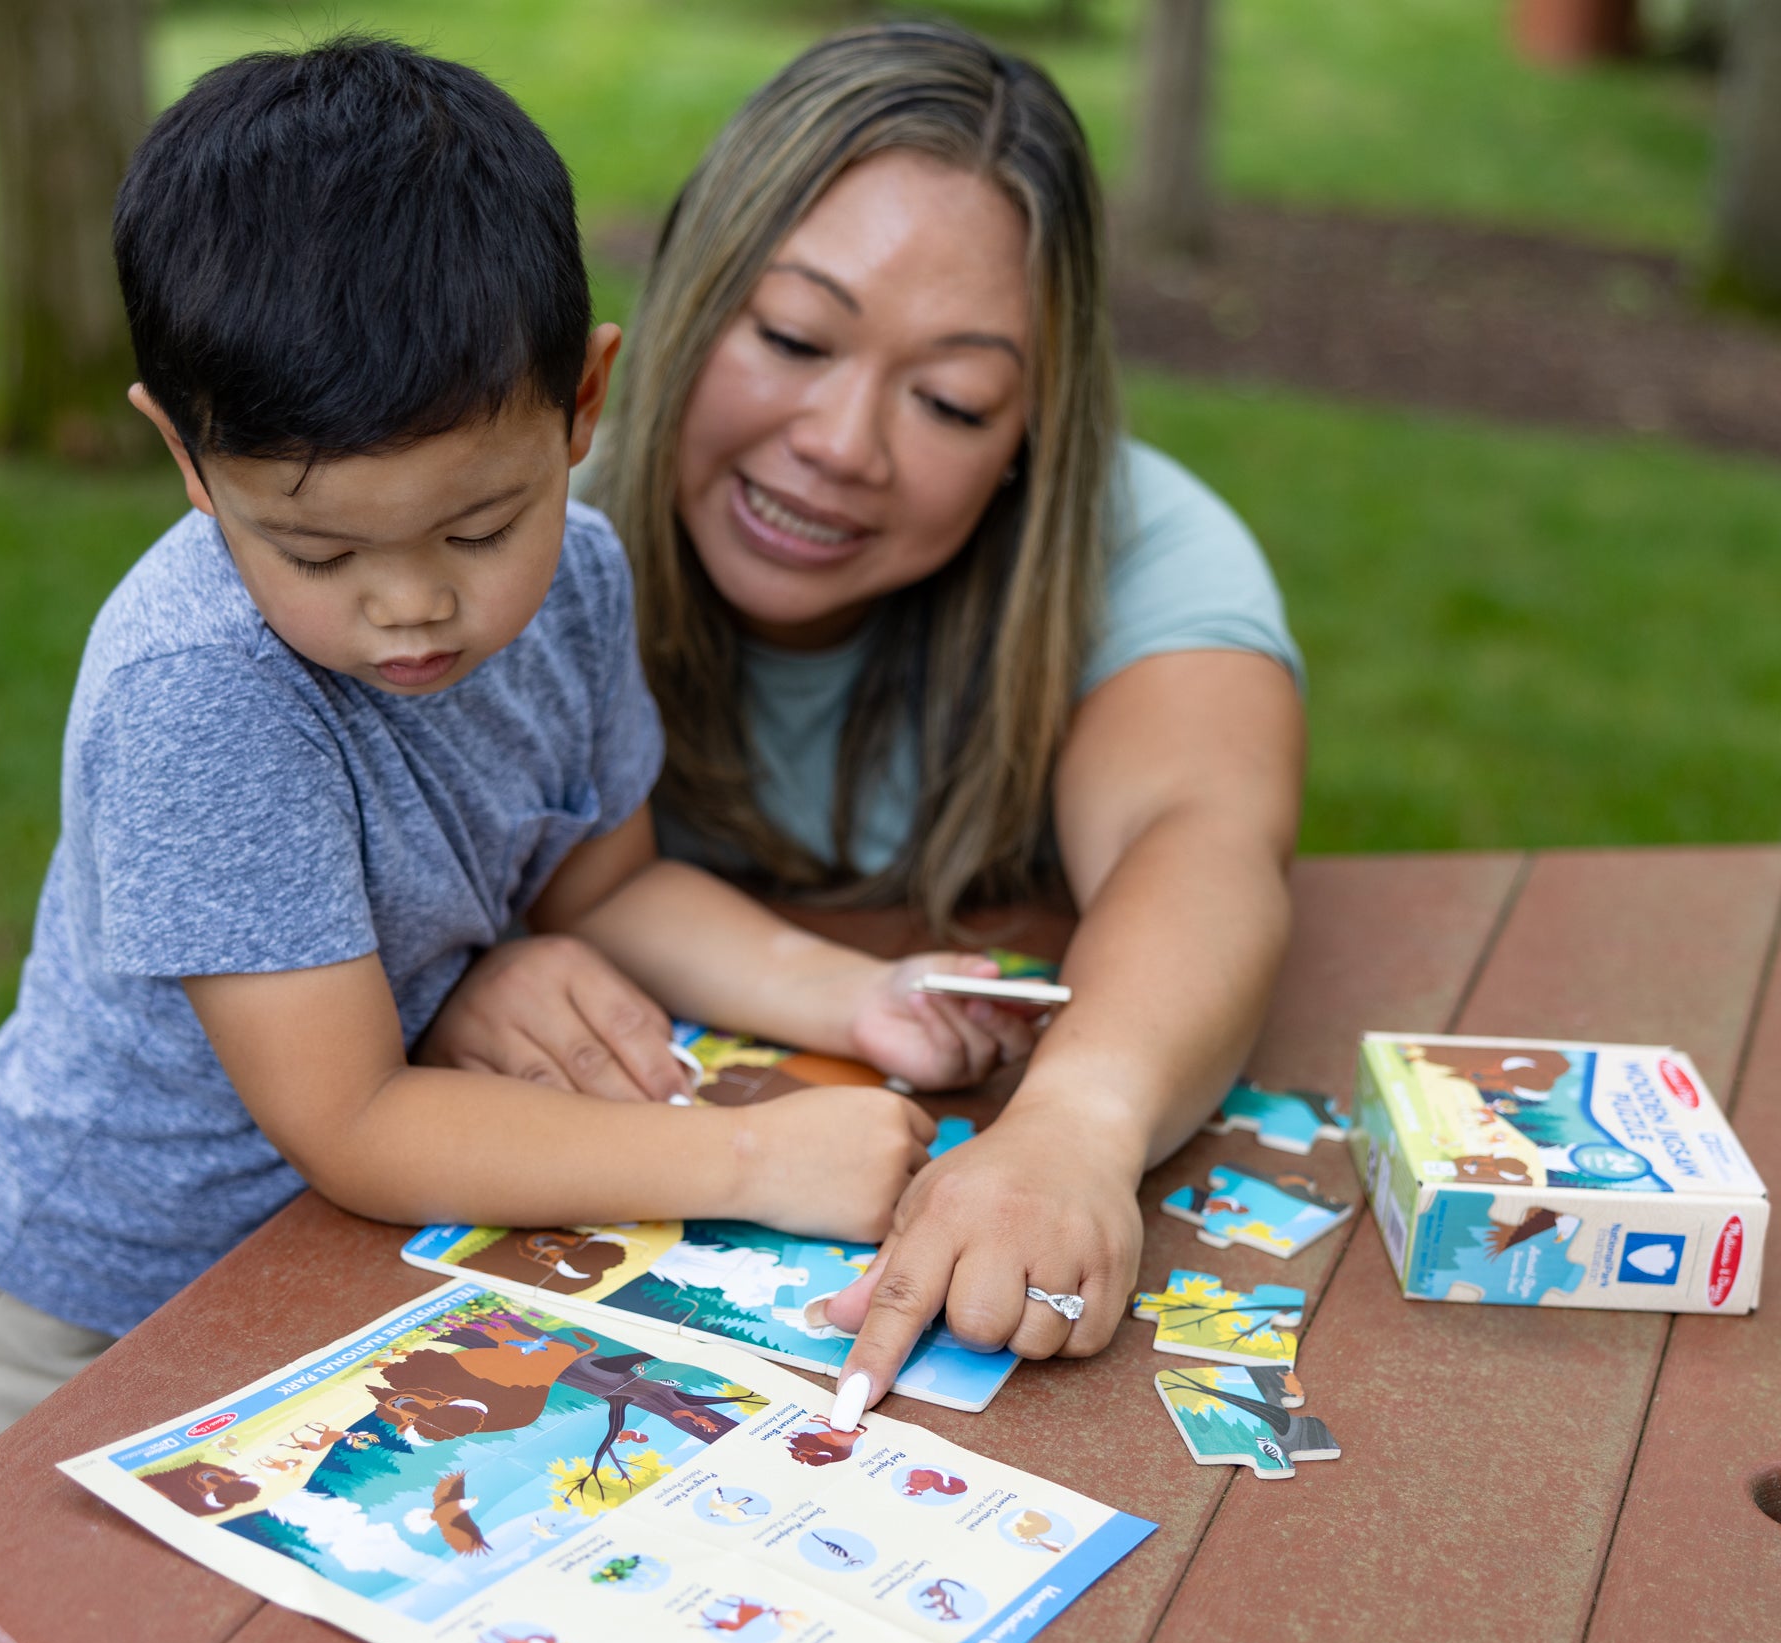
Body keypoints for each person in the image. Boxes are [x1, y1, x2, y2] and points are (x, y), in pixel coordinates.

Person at [0, 36, 1024, 1643]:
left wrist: (863, 997)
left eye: (478, 521)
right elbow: (354, 1123)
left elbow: (611, 888)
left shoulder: (584, 580)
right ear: (182, 458)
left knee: (232, 1635)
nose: (415, 604)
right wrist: (747, 1165)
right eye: (320, 549)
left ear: (584, 403)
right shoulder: (204, 692)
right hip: (74, 1291)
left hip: (291, 1293)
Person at [425, 23, 1306, 1410]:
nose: (843, 442)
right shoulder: (486, 541)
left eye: (952, 400)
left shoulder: (1148, 554)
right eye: (791, 336)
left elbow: (1199, 840)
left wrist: (1076, 1124)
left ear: (1035, 437)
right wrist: (445, 975)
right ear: (684, 305)